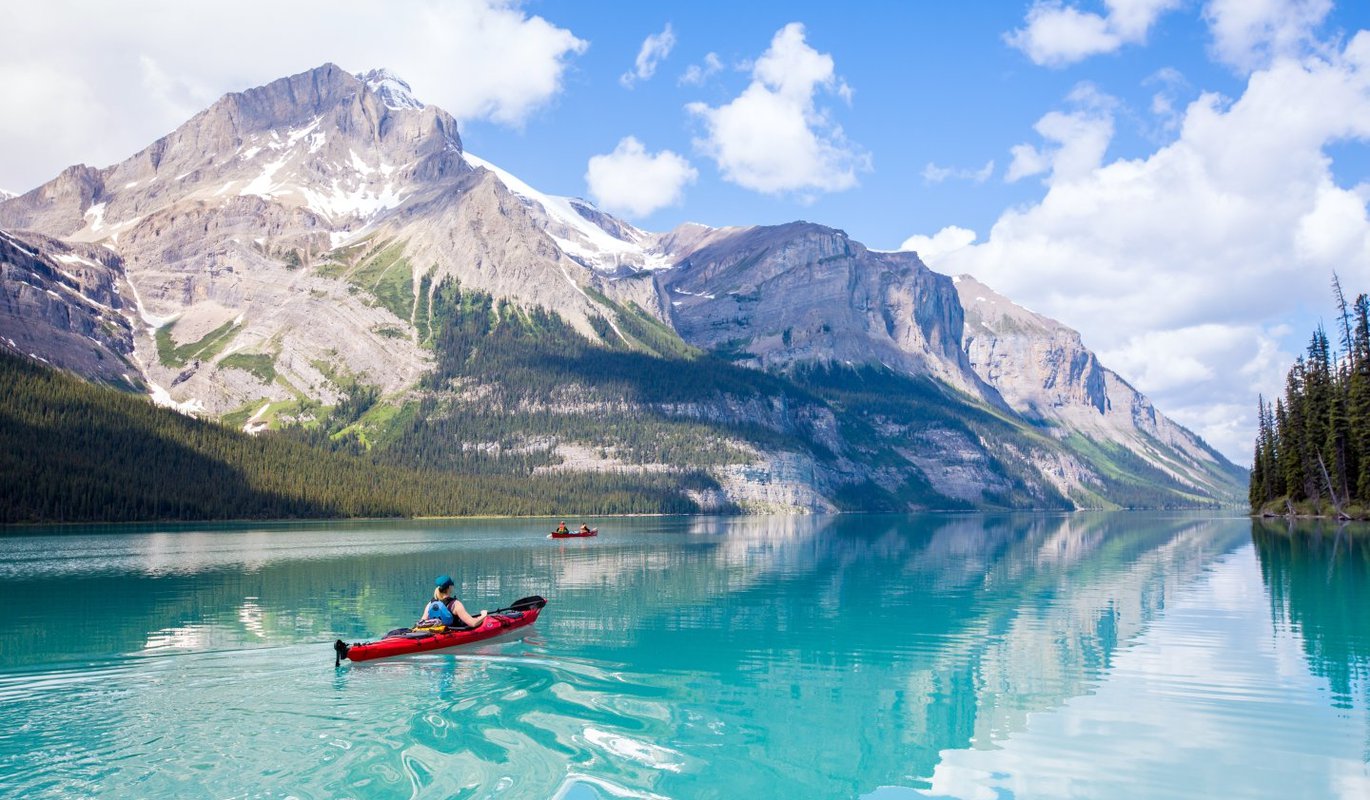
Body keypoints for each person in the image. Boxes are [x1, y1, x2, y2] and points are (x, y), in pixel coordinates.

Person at [419, 575, 488, 629]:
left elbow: (422, 623)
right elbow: (473, 623)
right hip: (452, 633)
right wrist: (484, 615)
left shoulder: (430, 604)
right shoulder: (455, 604)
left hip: (437, 632)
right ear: (449, 587)